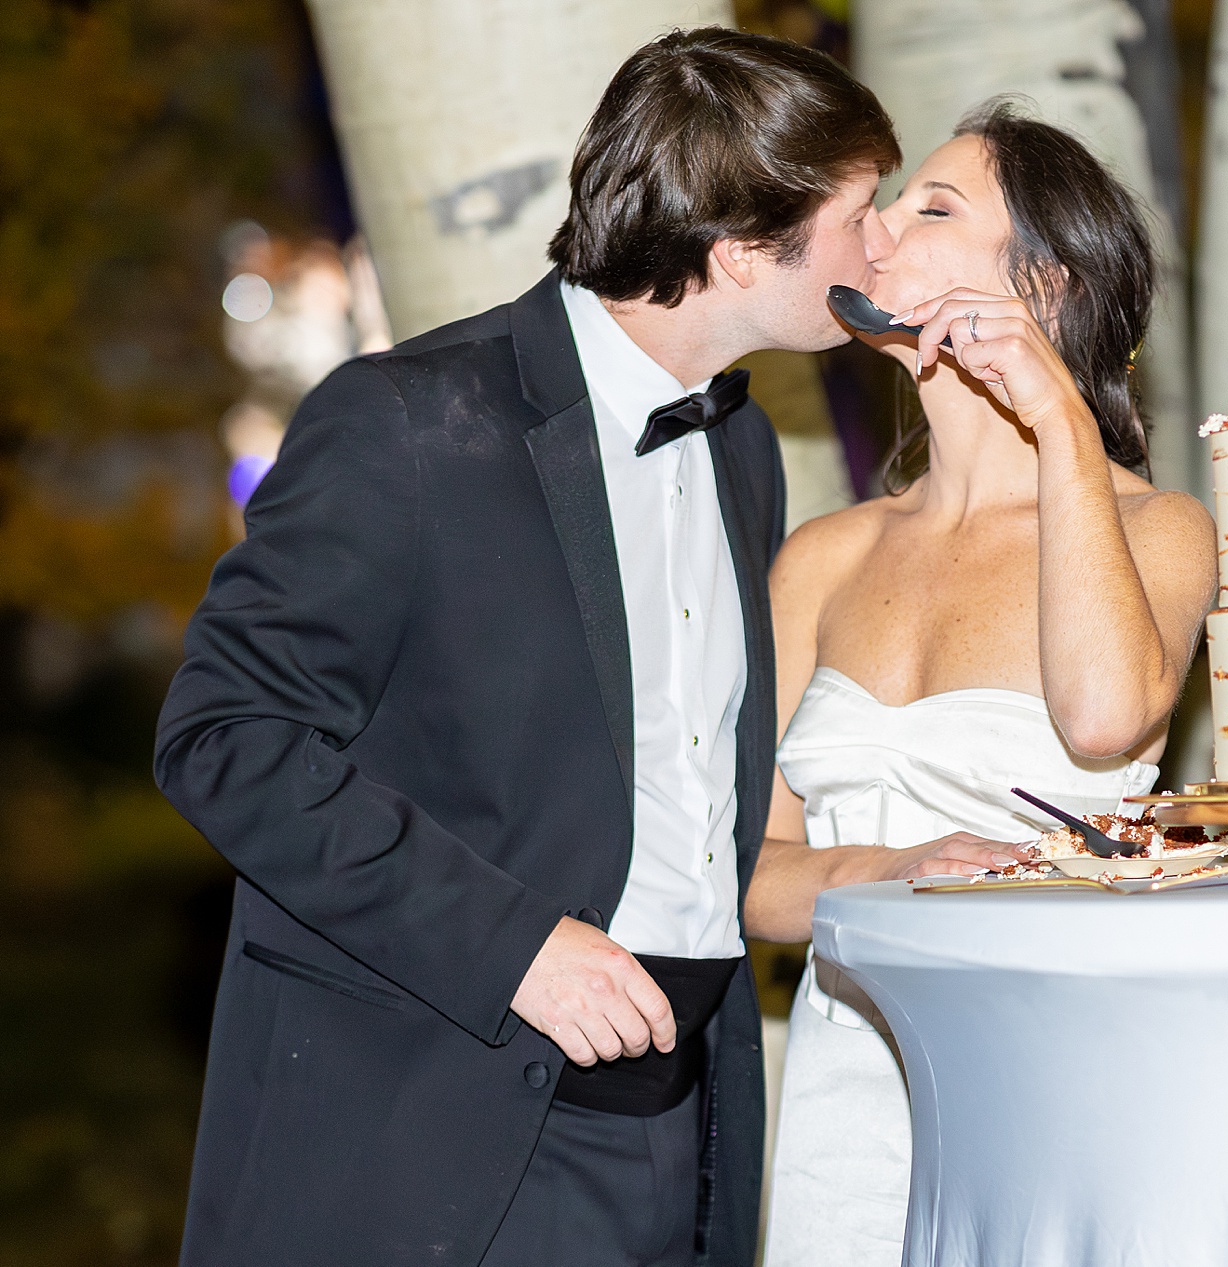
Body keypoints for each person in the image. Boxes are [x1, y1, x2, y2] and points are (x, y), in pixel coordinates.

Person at [154, 29, 914, 1267]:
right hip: (443, 1130)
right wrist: (511, 945)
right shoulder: (404, 423)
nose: (883, 246)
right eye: (861, 212)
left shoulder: (743, 449)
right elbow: (223, 740)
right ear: (734, 253)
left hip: (685, 1125)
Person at [747, 102, 1220, 1266]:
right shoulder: (824, 556)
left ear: (1045, 288)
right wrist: (893, 874)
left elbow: (1103, 717)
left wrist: (1058, 415)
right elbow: (744, 879)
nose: (879, 229)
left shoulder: (1159, 528)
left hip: (1063, 1079)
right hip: (847, 1093)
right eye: (888, 204)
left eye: (931, 208)